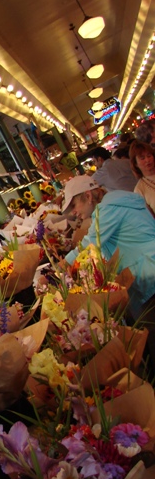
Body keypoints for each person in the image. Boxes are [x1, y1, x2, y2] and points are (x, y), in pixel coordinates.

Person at [62, 175, 155, 368]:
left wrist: (64, 264)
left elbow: (91, 243)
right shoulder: (118, 200)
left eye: (74, 206)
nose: (74, 213)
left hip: (149, 274)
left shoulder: (108, 208)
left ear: (88, 196)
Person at [129, 140, 155, 215]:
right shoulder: (139, 190)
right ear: (135, 164)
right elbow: (149, 217)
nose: (147, 160)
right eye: (142, 158)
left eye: (149, 156)